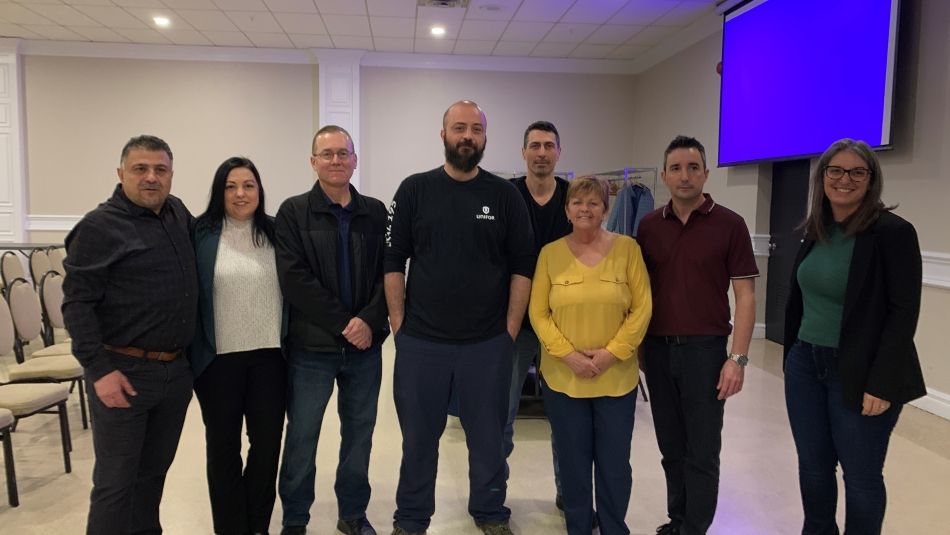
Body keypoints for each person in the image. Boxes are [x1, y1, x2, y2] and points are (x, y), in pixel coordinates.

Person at [384, 100, 535, 535]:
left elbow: (522, 265)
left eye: (476, 129)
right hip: (422, 343)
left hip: (487, 343)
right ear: (443, 134)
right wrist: (399, 326)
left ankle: (490, 513)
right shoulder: (414, 190)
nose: (467, 136)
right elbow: (393, 259)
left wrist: (509, 329)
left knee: (488, 439)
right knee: (418, 439)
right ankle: (411, 518)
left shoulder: (505, 195)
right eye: (459, 128)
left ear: (485, 137)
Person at [783, 138, 926, 535]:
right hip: (805, 365)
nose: (844, 179)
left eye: (856, 172)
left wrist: (881, 383)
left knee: (860, 477)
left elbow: (903, 314)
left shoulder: (892, 233)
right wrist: (793, 354)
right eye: (836, 171)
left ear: (871, 179)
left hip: (861, 371)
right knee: (813, 468)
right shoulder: (817, 228)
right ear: (822, 177)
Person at [62, 134, 197, 535]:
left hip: (174, 373)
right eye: (141, 169)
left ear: (172, 175)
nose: (151, 178)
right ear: (121, 173)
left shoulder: (176, 213)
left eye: (160, 169)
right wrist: (99, 370)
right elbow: (76, 305)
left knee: (152, 477)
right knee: (115, 484)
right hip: (123, 373)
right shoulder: (98, 227)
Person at [637, 135, 758, 535]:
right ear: (665, 175)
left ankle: (696, 528)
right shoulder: (649, 226)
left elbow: (745, 295)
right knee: (671, 447)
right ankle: (679, 520)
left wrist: (737, 358)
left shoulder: (730, 225)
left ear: (706, 174)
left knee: (702, 451)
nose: (684, 176)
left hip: (706, 352)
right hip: (656, 350)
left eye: (693, 168)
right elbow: (638, 292)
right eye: (676, 168)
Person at [274, 125, 390, 535]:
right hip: (311, 350)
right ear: (313, 162)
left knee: (360, 438)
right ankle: (295, 519)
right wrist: (345, 323)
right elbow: (294, 279)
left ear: (355, 160)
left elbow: (389, 275)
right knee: (302, 438)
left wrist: (369, 322)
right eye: (328, 154)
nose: (336, 161)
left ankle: (353, 514)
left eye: (344, 154)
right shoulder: (292, 212)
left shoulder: (376, 212)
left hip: (365, 350)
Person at [529, 176, 652, 535]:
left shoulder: (628, 249)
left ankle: (614, 527)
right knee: (573, 464)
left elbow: (642, 308)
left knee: (614, 465)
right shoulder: (550, 254)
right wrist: (570, 356)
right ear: (567, 209)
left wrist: (610, 355)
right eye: (578, 203)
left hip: (617, 379)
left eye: (594, 203)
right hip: (564, 380)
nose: (585, 209)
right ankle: (579, 527)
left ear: (606, 209)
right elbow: (539, 313)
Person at [191, 157, 287, 535]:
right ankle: (231, 528)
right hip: (218, 362)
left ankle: (256, 525)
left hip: (270, 360)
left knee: (266, 451)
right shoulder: (200, 233)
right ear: (219, 191)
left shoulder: (278, 233)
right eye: (231, 186)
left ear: (259, 190)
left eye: (248, 185)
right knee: (223, 451)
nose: (240, 193)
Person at [505, 121, 573, 504]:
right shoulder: (507, 195)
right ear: (524, 152)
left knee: (565, 421)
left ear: (559, 152)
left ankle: (569, 496)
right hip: (515, 324)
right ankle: (492, 498)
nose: (542, 152)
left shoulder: (572, 198)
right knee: (502, 417)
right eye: (535, 145)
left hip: (564, 326)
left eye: (549, 145)